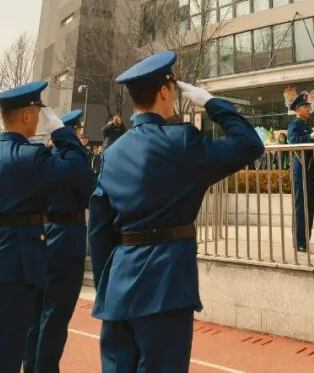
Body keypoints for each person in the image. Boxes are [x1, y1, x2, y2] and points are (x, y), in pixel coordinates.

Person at [89, 50, 263, 373]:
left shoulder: (112, 153)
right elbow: (250, 144)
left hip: (119, 286)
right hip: (166, 286)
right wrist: (211, 102)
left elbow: (99, 229)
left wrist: (106, 288)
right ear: (165, 92)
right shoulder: (182, 142)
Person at [0, 82, 91, 373]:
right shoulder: (32, 158)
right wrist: (62, 133)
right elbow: (79, 175)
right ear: (27, 115)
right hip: (12, 268)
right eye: (37, 112)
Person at [27, 108, 98, 373]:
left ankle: (31, 365)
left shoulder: (43, 159)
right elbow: (90, 192)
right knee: (55, 316)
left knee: (35, 313)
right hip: (66, 238)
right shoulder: (73, 163)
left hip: (40, 235)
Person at [285, 92, 314, 252]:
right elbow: (293, 141)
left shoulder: (306, 125)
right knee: (301, 205)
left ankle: (305, 239)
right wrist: (310, 137)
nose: (308, 109)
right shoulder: (295, 125)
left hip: (310, 167)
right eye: (305, 106)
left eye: (308, 106)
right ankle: (299, 241)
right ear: (297, 109)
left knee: (309, 204)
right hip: (301, 166)